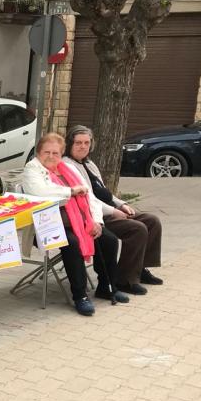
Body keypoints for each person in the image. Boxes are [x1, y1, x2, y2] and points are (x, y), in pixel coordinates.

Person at [22, 133, 129, 315]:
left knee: (109, 240)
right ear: (38, 153)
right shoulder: (32, 169)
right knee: (73, 243)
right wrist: (71, 191)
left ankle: (107, 287)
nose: (51, 156)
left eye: (56, 153)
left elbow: (90, 197)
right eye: (46, 152)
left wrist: (96, 221)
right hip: (48, 225)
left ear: (61, 154)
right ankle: (80, 296)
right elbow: (41, 191)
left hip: (80, 220)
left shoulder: (68, 169)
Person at [64, 125, 164, 295]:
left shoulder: (89, 163)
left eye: (87, 143)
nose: (83, 146)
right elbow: (88, 198)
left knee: (152, 221)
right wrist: (113, 210)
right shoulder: (68, 165)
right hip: (95, 214)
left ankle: (140, 269)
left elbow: (104, 191)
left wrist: (121, 204)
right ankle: (125, 280)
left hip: (109, 207)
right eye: (78, 143)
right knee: (137, 229)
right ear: (70, 144)